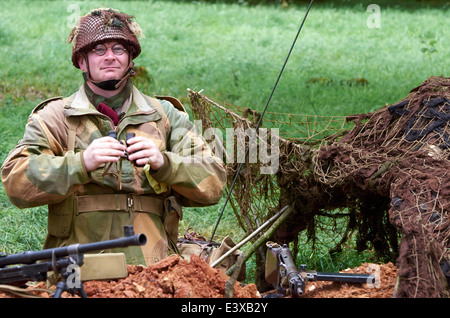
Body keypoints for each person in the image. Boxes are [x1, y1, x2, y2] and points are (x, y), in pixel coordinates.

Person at [1, 8, 226, 266]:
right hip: (76, 266)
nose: (110, 57)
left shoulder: (165, 116)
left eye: (118, 49)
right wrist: (81, 164)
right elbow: (16, 182)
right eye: (99, 49)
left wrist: (165, 163)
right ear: (81, 61)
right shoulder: (55, 117)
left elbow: (214, 182)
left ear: (130, 59)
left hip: (154, 266)